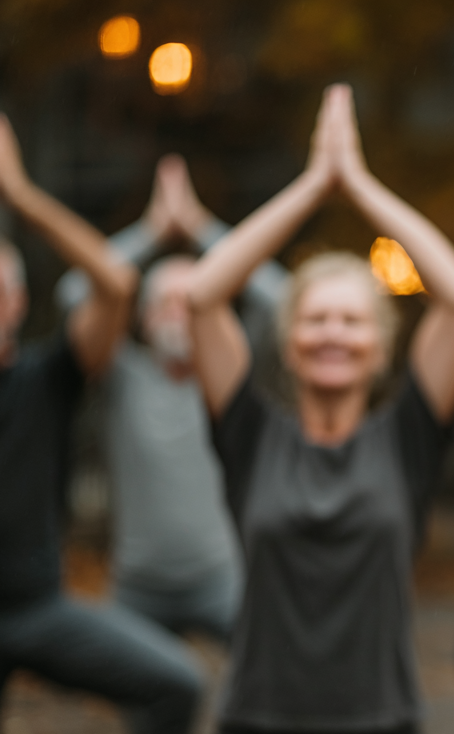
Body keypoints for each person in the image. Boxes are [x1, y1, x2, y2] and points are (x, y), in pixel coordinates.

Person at [187, 84, 454, 734]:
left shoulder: (408, 435)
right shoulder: (251, 433)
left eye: (353, 320)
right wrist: (313, 186)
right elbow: (201, 296)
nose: (332, 333)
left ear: (381, 345)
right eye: (315, 318)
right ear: (288, 340)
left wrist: (361, 185)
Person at [0, 116, 201, 734]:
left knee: (178, 685)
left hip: (39, 606)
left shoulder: (50, 376)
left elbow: (111, 281)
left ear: (19, 305)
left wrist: (20, 198)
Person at [55, 154, 287, 643]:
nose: (180, 317)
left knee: (264, 680)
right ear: (141, 318)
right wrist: (152, 233)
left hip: (224, 581)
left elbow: (283, 300)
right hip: (136, 588)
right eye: (165, 304)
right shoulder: (120, 374)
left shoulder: (232, 374)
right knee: (149, 707)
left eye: (192, 304)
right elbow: (73, 292)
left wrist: (203, 229)